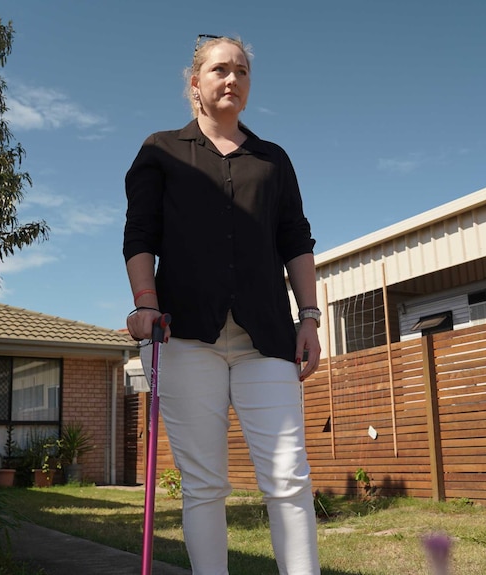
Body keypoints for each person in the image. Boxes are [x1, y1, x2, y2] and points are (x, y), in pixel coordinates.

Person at [123, 34, 322, 574]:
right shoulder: (161, 151)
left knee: (288, 477)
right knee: (204, 484)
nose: (231, 79)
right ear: (196, 83)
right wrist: (145, 302)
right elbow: (141, 234)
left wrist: (309, 316)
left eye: (241, 71)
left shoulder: (272, 159)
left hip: (267, 339)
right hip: (185, 336)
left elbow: (296, 240)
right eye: (219, 70)